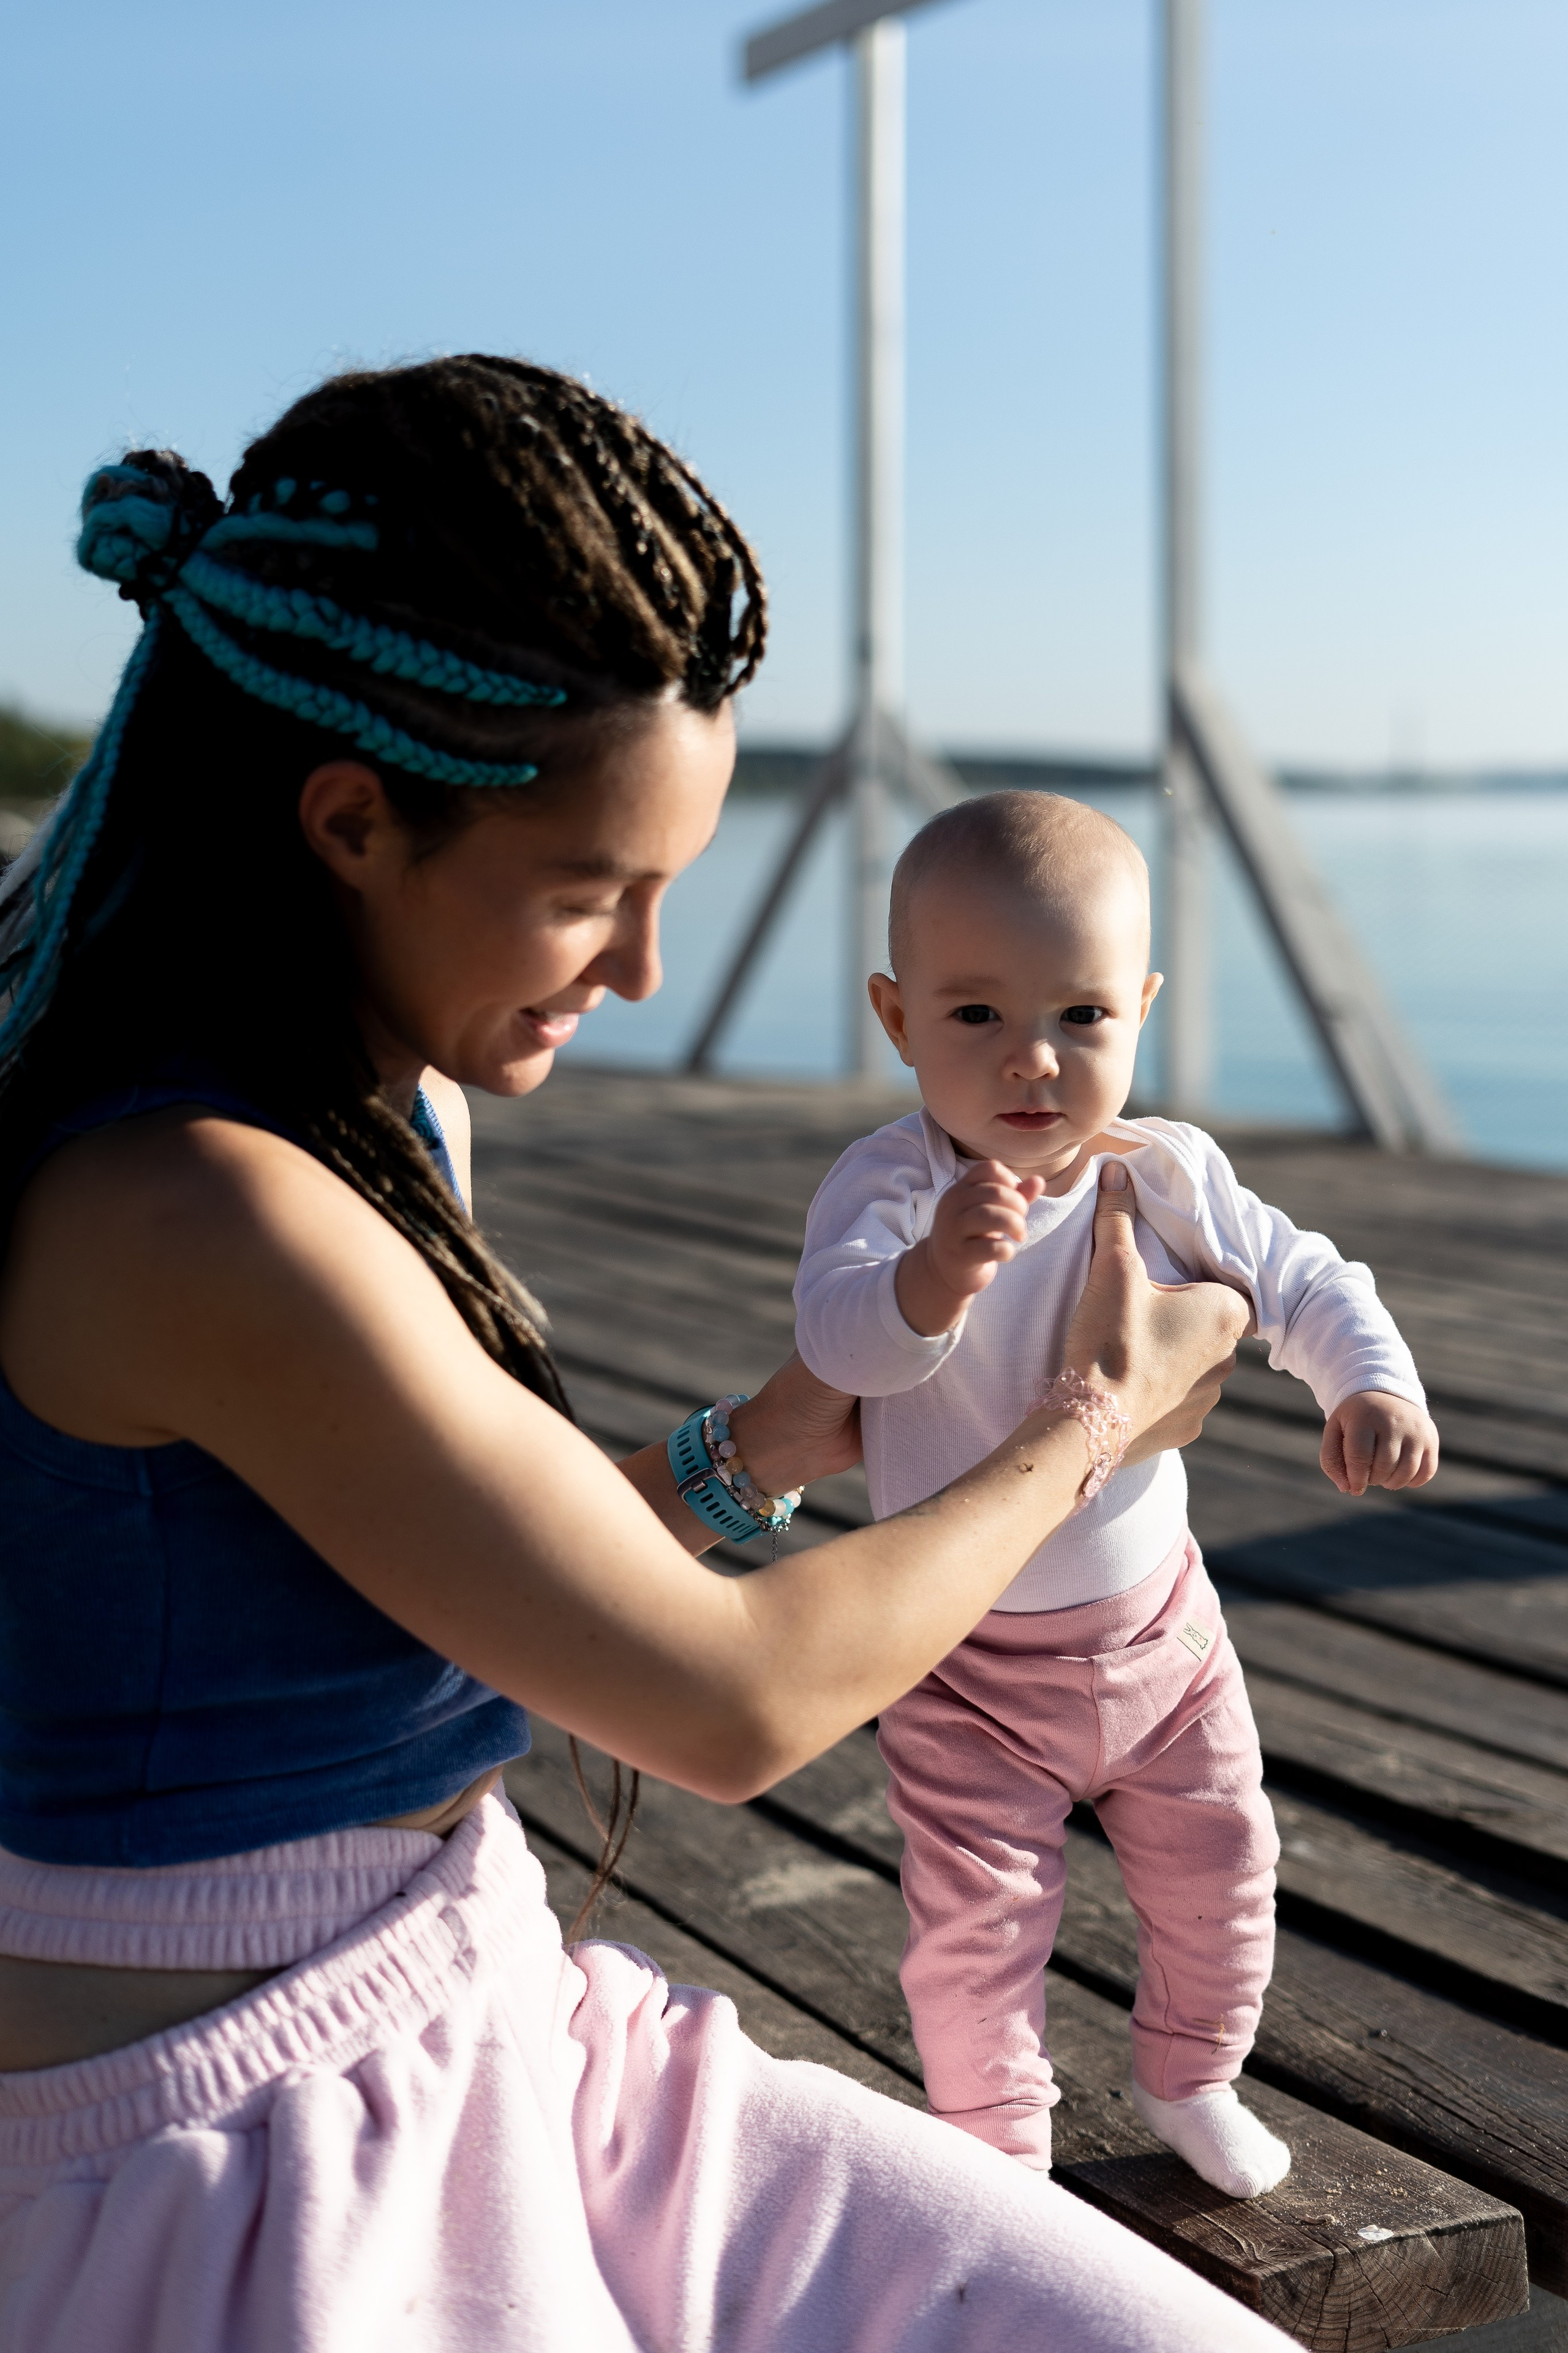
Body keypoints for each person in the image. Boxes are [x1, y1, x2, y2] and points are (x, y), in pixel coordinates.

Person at [0, 359, 1281, 2351]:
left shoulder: (377, 1110)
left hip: (484, 1990)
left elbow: (430, 1542)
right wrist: (1090, 1421)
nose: (646, 976)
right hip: (237, 2150)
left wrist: (761, 1444)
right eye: (593, 894)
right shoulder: (195, 1213)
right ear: (348, 822)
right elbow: (733, 1703)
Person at [793, 788, 1439, 2202]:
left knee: (1222, 1866)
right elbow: (834, 1343)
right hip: (961, 1662)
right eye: (975, 1019)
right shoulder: (889, 1189)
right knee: (975, 1924)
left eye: (1080, 1016)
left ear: (1138, 1009)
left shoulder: (1162, 1171)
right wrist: (925, 1282)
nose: (1033, 1058)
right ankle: (995, 2151)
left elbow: (1303, 1276)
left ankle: (1190, 2069)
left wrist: (1365, 1384)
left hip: (1159, 1633)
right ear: (896, 1021)